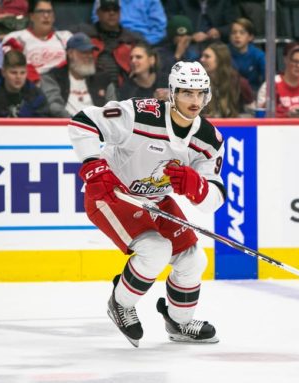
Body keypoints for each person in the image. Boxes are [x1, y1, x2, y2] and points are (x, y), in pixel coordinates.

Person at [67, 61, 225, 347]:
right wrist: (93, 165)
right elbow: (83, 121)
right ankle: (121, 303)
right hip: (112, 194)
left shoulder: (208, 139)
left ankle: (180, 322)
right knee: (156, 249)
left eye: (201, 94)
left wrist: (197, 187)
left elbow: (213, 199)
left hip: (154, 199)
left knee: (192, 258)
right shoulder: (140, 114)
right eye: (187, 93)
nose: (195, 101)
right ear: (173, 93)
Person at [41, 32, 116, 117]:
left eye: (91, 52)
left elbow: (112, 107)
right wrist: (77, 123)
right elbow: (54, 107)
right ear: (70, 54)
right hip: (64, 126)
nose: (89, 56)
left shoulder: (103, 78)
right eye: (84, 52)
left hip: (98, 127)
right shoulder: (53, 77)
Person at [72, 0, 143, 87]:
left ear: (120, 12)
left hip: (125, 90)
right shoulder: (83, 33)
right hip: (90, 87)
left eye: (115, 9)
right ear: (97, 13)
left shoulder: (133, 39)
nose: (111, 13)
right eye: (106, 9)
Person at [2, 0, 72, 77]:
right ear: (31, 16)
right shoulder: (16, 38)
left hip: (63, 81)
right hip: (33, 84)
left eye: (49, 12)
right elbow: (13, 69)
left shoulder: (66, 37)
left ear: (54, 17)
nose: (46, 16)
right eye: (41, 12)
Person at [200, 42, 254, 117]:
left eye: (207, 56)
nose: (202, 59)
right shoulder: (200, 83)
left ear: (220, 60)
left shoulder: (240, 83)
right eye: (202, 56)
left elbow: (252, 113)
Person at [90, 0, 166, 46]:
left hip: (144, 40)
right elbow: (98, 19)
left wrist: (143, 45)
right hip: (113, 39)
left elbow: (159, 30)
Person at [228, 17, 265, 94]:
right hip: (229, 94)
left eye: (242, 33)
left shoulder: (259, 55)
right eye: (234, 32)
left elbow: (268, 81)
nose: (237, 36)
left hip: (253, 93)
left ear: (250, 37)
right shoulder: (224, 53)